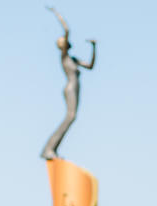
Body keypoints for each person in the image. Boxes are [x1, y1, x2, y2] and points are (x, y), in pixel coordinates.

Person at [40, 7, 96, 160]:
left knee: (72, 117)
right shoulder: (64, 57)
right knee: (70, 116)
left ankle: (52, 149)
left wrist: (94, 47)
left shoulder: (74, 59)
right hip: (70, 87)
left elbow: (90, 66)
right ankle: (49, 149)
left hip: (76, 87)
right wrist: (57, 15)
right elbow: (67, 30)